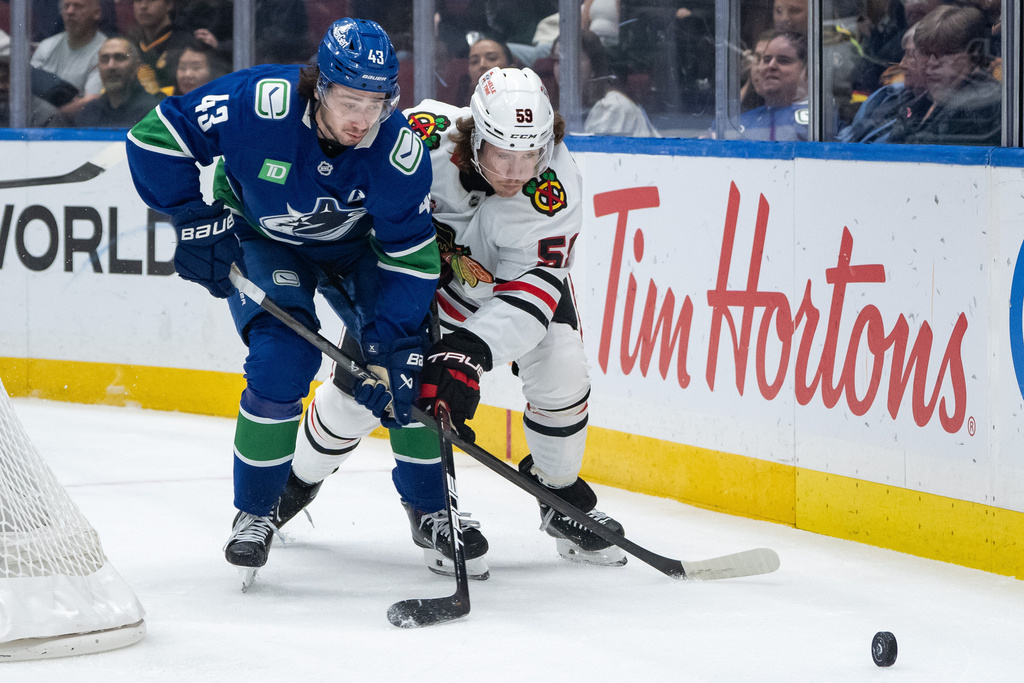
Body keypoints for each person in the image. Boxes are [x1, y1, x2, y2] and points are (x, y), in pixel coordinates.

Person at [125, 18, 469, 582]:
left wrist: (395, 332)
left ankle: (431, 509)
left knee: (408, 364)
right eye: (348, 98)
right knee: (283, 357)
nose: (361, 118)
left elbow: (410, 255)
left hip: (359, 250)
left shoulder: (397, 150)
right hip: (266, 240)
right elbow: (153, 137)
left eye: (377, 101)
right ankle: (256, 513)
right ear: (319, 84)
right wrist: (191, 216)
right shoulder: (257, 103)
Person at [279, 66, 628, 569]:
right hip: (414, 289)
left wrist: (467, 355)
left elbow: (533, 291)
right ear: (475, 137)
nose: (515, 171)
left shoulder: (557, 189)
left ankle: (559, 496)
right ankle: (295, 483)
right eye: (502, 154)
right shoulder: (419, 136)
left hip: (510, 294)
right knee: (356, 400)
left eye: (530, 155)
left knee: (563, 370)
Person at [887, 4, 1000, 146]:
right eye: (927, 53)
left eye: (945, 53)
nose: (932, 63)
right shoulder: (921, 101)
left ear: (973, 53)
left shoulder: (979, 106)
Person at [553, 31, 660, 137]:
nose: (564, 68)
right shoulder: (569, 109)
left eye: (574, 59)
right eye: (557, 60)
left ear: (594, 66)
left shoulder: (613, 108)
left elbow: (590, 152)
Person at [836, 24, 927, 143]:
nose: (902, 65)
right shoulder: (885, 95)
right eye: (904, 54)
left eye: (910, 55)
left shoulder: (930, 114)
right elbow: (847, 137)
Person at [30, 0, 107, 116]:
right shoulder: (46, 46)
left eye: (78, 6)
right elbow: (27, 90)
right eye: (66, 6)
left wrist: (49, 116)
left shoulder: (106, 52)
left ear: (96, 13)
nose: (70, 11)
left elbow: (91, 102)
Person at [734, 30, 809, 141]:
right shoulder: (738, 124)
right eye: (766, 60)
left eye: (784, 61)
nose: (770, 66)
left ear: (806, 71)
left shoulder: (820, 122)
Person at [75, 36, 163, 127]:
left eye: (120, 58)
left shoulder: (153, 112)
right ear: (98, 67)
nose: (111, 66)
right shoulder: (90, 112)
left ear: (136, 66)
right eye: (105, 59)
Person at [130, 0, 192, 95]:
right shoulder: (130, 43)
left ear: (169, 4)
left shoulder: (187, 45)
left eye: (151, 1)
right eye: (138, 1)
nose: (143, 6)